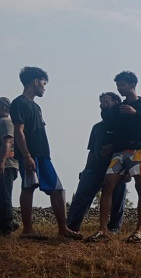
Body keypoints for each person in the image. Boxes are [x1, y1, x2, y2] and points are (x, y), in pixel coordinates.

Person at [85, 71, 141, 243]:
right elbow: (111, 124)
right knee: (108, 183)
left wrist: (135, 113)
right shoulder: (119, 108)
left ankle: (139, 230)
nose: (119, 88)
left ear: (132, 85)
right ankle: (103, 229)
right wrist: (105, 108)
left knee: (140, 185)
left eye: (122, 85)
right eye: (118, 86)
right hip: (120, 151)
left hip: (139, 150)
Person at [10, 67, 81, 240]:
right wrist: (26, 156)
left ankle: (63, 228)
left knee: (57, 189)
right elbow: (19, 131)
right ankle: (27, 230)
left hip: (42, 154)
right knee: (29, 187)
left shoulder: (36, 106)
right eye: (43, 83)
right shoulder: (19, 103)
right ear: (35, 82)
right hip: (31, 154)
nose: (44, 87)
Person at [66, 92, 127, 234]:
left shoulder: (124, 125)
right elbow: (91, 150)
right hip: (95, 167)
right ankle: (71, 226)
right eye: (101, 102)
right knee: (82, 195)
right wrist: (86, 169)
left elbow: (128, 144)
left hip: (116, 166)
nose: (102, 105)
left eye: (106, 101)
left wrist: (113, 147)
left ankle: (113, 228)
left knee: (118, 196)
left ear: (117, 102)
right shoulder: (97, 127)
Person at [0, 97, 20, 236]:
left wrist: (1, 161)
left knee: (4, 195)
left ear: (5, 108)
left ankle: (7, 225)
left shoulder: (5, 122)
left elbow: (7, 142)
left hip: (6, 164)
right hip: (5, 164)